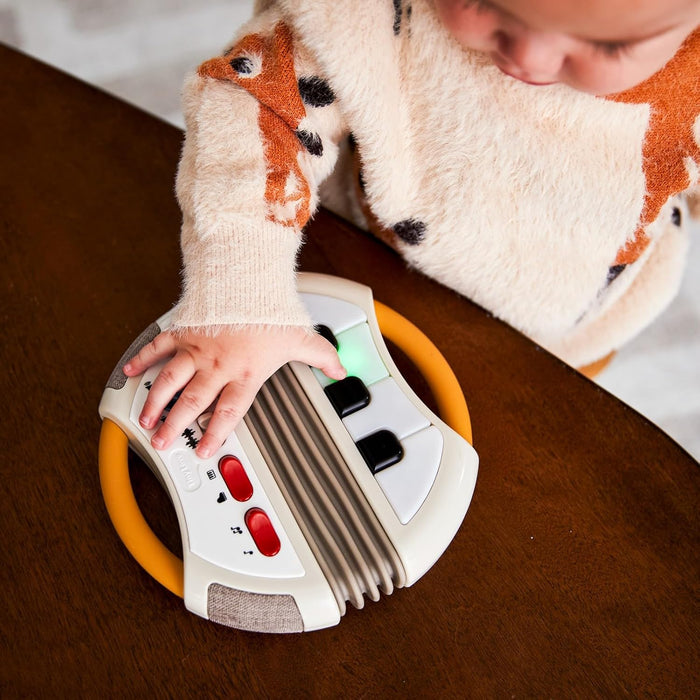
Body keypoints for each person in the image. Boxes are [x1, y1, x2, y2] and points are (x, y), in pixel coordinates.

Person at [123, 0, 700, 459]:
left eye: (608, 45)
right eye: (485, 1)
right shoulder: (380, 16)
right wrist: (241, 299)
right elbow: (257, 101)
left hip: (567, 336)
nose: (531, 56)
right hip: (355, 270)